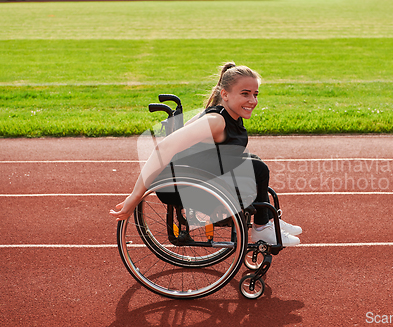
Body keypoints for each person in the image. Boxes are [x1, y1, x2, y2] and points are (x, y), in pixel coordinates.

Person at [110, 62, 302, 246]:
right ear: (225, 95)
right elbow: (164, 148)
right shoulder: (216, 120)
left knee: (254, 161)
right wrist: (135, 196)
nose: (252, 101)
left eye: (255, 94)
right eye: (245, 94)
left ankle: (266, 219)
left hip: (198, 177)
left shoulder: (228, 115)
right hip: (179, 187)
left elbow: (187, 131)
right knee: (258, 168)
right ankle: (262, 228)